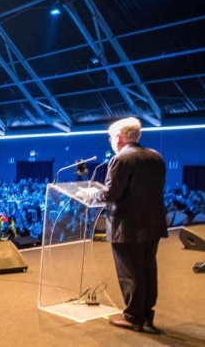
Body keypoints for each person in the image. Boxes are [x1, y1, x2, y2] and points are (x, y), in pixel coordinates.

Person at [86, 117, 167, 334]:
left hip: (127, 225)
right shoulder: (155, 157)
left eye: (112, 137)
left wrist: (93, 195)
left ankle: (132, 317)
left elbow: (112, 193)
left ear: (119, 138)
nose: (112, 142)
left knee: (130, 272)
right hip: (153, 223)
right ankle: (146, 315)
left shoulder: (121, 159)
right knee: (148, 269)